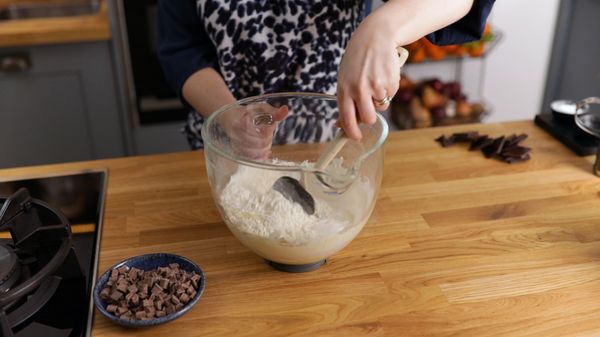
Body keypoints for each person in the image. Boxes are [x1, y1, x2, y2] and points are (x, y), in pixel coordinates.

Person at [158, 0, 495, 151]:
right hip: (226, 144)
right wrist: (231, 118)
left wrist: (380, 29)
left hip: (333, 141)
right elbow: (181, 50)